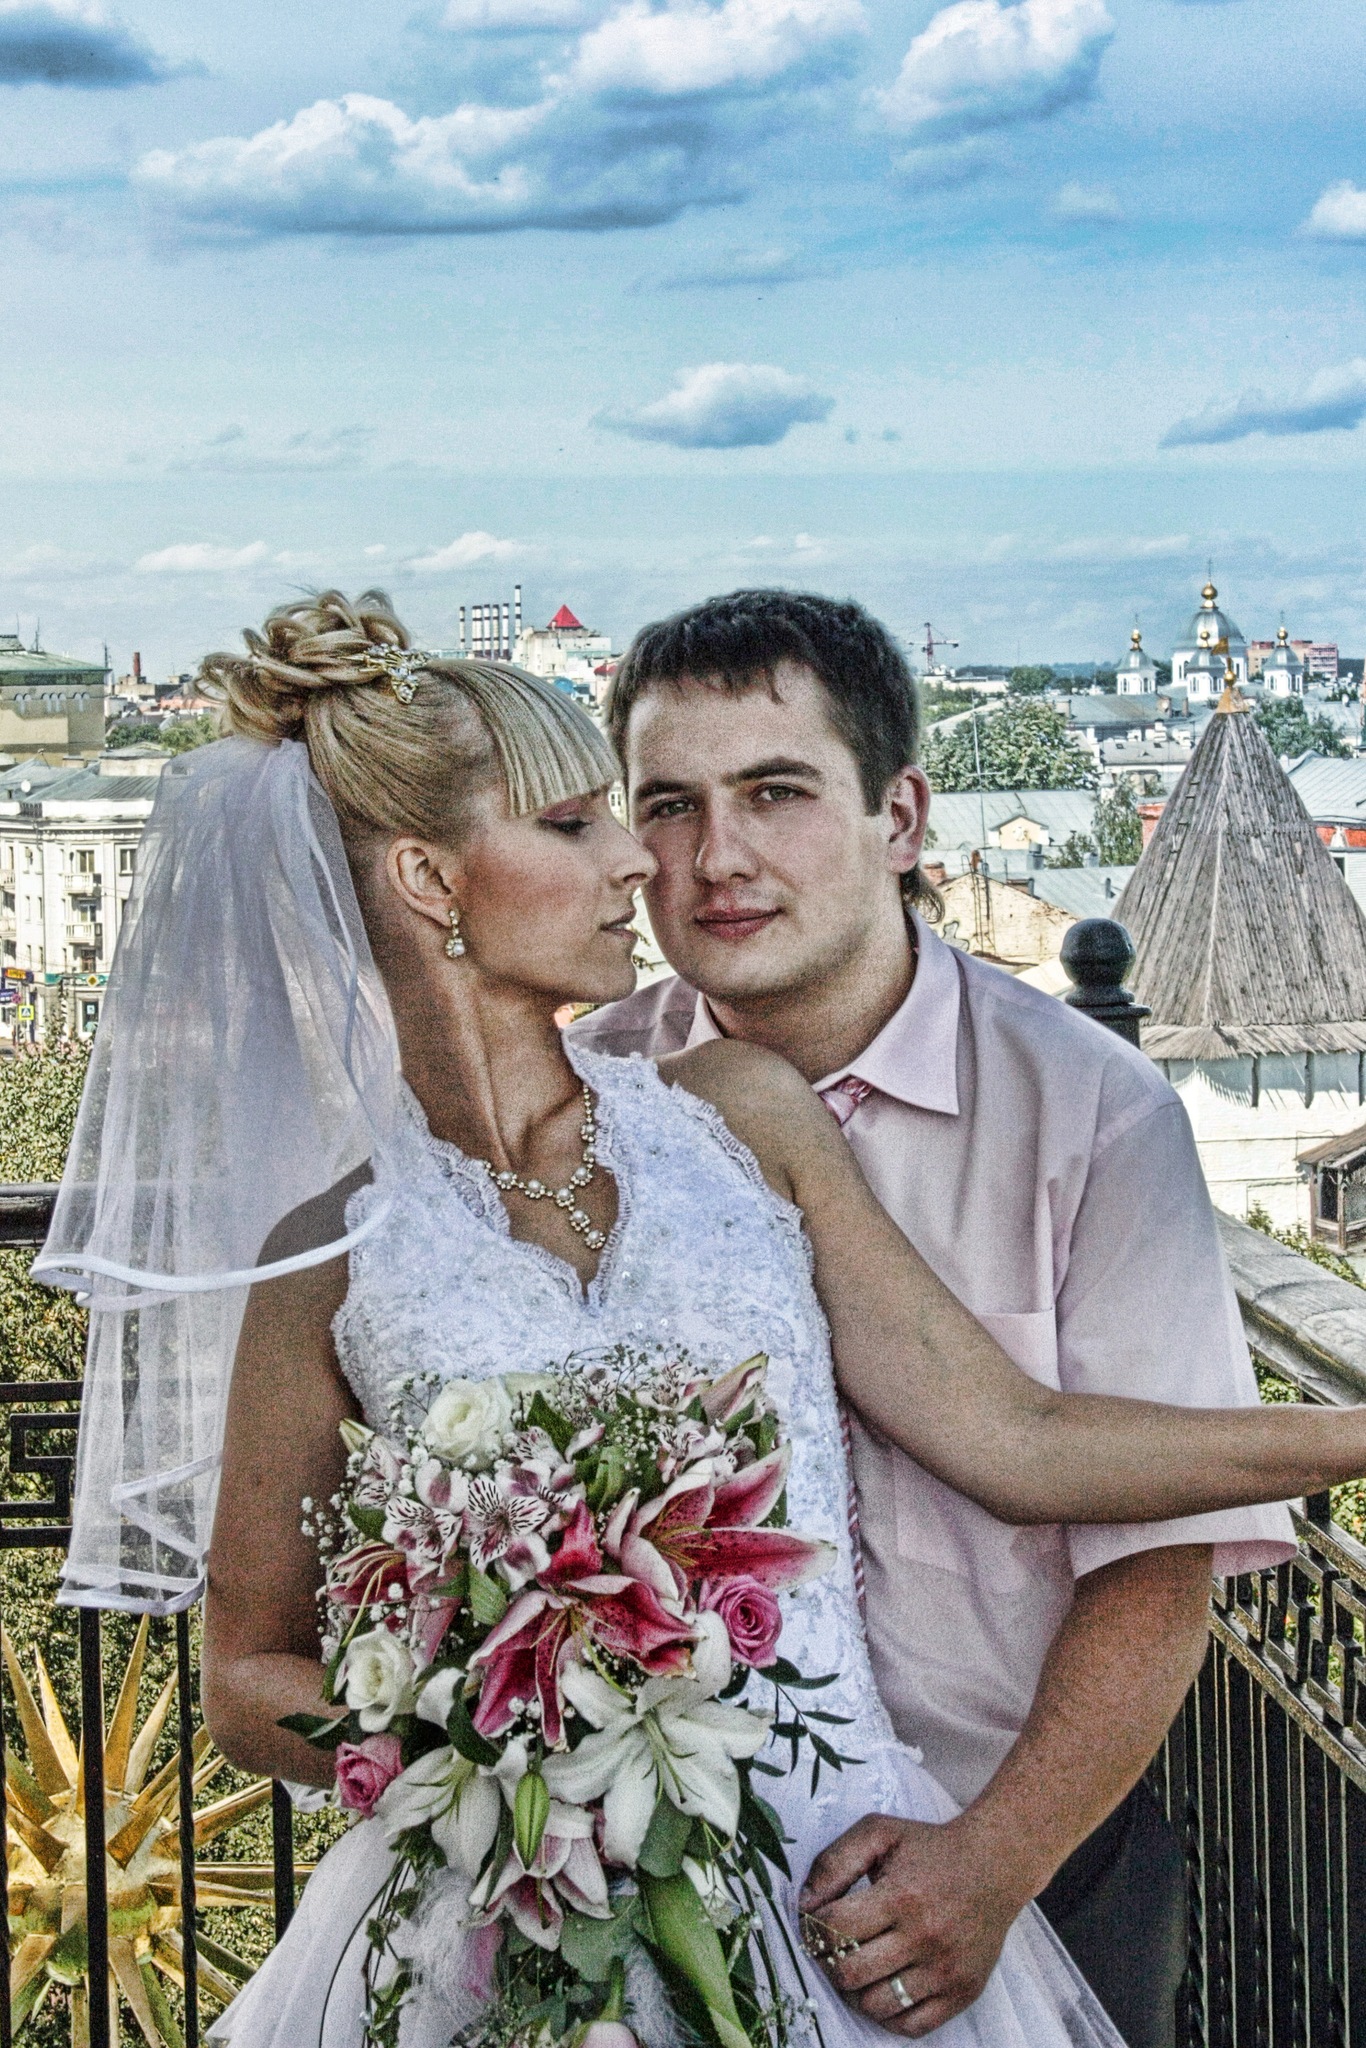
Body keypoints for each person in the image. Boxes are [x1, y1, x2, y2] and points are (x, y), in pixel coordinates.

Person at [37, 594, 1366, 2048]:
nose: (645, 861)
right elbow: (246, 1679)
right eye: (582, 823)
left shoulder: (737, 1112)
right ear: (427, 881)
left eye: (649, 814)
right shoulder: (324, 1252)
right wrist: (501, 1746)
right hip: (511, 1915)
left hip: (852, 1873)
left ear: (900, 814)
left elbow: (1019, 1440)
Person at [570, 587, 1297, 2048]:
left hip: (1030, 1857)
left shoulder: (1091, 1113)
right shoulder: (579, 1102)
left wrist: (995, 1860)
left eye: (777, 793)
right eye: (670, 805)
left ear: (898, 816)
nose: (717, 857)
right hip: (658, 1883)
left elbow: (1158, 1556)